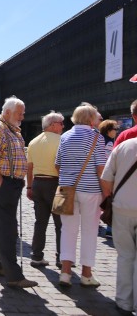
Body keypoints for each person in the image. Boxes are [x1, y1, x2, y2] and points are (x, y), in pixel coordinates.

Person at [0, 96, 38, 288]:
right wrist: (2, 184)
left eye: (22, 113)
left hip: (9, 183)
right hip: (0, 184)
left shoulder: (12, 129)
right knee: (8, 229)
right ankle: (13, 275)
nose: (22, 116)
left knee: (1, 225)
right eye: (19, 113)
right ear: (7, 112)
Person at [55, 103, 108, 287]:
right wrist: (107, 193)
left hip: (66, 189)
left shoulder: (65, 136)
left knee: (67, 230)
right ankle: (86, 273)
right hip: (90, 189)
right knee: (89, 231)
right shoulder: (96, 138)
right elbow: (101, 167)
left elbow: (58, 164)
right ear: (91, 119)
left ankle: (65, 272)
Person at [101, 137, 137, 315]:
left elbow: (106, 180)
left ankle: (124, 301)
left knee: (124, 256)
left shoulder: (124, 146)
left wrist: (111, 196)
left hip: (122, 207)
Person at [26, 111, 65, 268]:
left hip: (38, 183)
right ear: (53, 125)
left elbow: (29, 168)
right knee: (60, 224)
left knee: (40, 223)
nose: (63, 126)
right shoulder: (61, 141)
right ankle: (61, 257)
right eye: (61, 123)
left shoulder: (34, 142)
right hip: (56, 184)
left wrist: (29, 186)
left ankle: (36, 256)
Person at [99, 119, 119, 238]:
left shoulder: (100, 139)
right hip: (108, 175)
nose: (116, 131)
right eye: (115, 129)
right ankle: (110, 228)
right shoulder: (109, 143)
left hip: (100, 175)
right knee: (110, 200)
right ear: (108, 130)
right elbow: (108, 159)